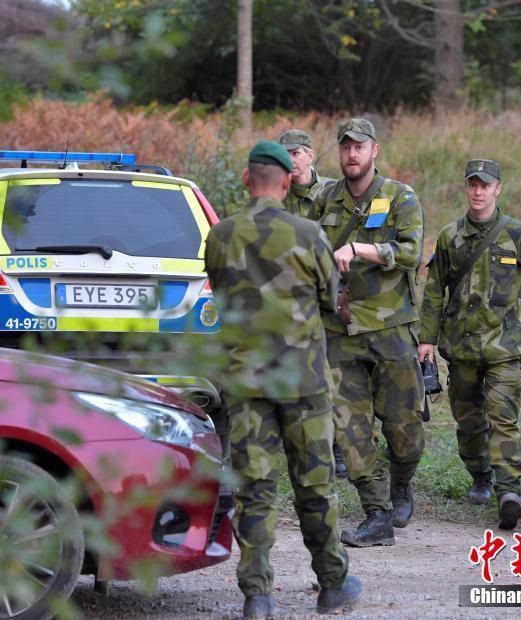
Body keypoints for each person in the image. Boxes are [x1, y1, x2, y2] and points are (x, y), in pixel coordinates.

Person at [204, 140, 361, 618]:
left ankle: (258, 596)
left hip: (247, 384)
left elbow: (218, 288)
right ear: (288, 180)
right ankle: (332, 585)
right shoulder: (309, 233)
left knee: (255, 490)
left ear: (248, 180)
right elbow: (329, 294)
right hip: (304, 382)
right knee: (315, 485)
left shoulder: (221, 235)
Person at [417, 159, 521, 530]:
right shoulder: (450, 237)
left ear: (497, 190)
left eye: (485, 185)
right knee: (469, 421)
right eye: (472, 185)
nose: (478, 191)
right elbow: (433, 291)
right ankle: (480, 475)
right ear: (466, 189)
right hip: (461, 349)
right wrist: (426, 339)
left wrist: (517, 314)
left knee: (503, 418)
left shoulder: (519, 235)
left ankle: (509, 492)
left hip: (504, 350)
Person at [312, 117, 426, 547]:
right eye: (345, 147)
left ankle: (401, 484)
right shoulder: (326, 198)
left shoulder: (400, 196)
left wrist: (360, 248)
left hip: (391, 327)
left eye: (359, 146)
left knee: (404, 426)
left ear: (374, 150)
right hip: (339, 330)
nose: (352, 154)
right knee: (350, 427)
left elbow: (413, 252)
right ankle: (376, 515)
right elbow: (307, 248)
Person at [278, 128, 347, 478]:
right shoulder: (275, 196)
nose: (291, 159)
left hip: (328, 296)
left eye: (296, 153)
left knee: (331, 372)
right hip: (289, 298)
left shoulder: (334, 192)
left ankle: (337, 449)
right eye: (284, 153)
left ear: (310, 154)